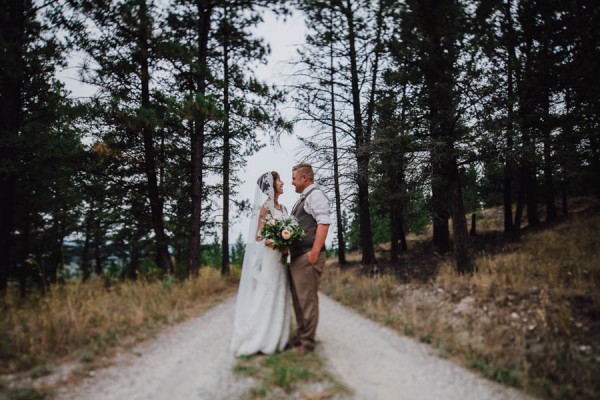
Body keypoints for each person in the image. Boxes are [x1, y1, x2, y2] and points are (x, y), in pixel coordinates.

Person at [230, 171, 291, 356]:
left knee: (280, 292)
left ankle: (278, 336)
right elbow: (259, 235)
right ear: (272, 185)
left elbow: (288, 229)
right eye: (279, 180)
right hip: (271, 257)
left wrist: (288, 242)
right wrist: (277, 241)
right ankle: (258, 337)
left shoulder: (284, 208)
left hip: (281, 260)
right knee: (267, 292)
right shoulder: (266, 207)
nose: (282, 182)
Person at [288, 163, 331, 355]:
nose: (292, 182)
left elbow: (323, 222)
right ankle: (301, 336)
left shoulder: (316, 196)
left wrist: (314, 252)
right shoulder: (303, 199)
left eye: (294, 178)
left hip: (308, 256)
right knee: (299, 299)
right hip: (298, 256)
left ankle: (307, 342)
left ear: (304, 178)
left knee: (307, 299)